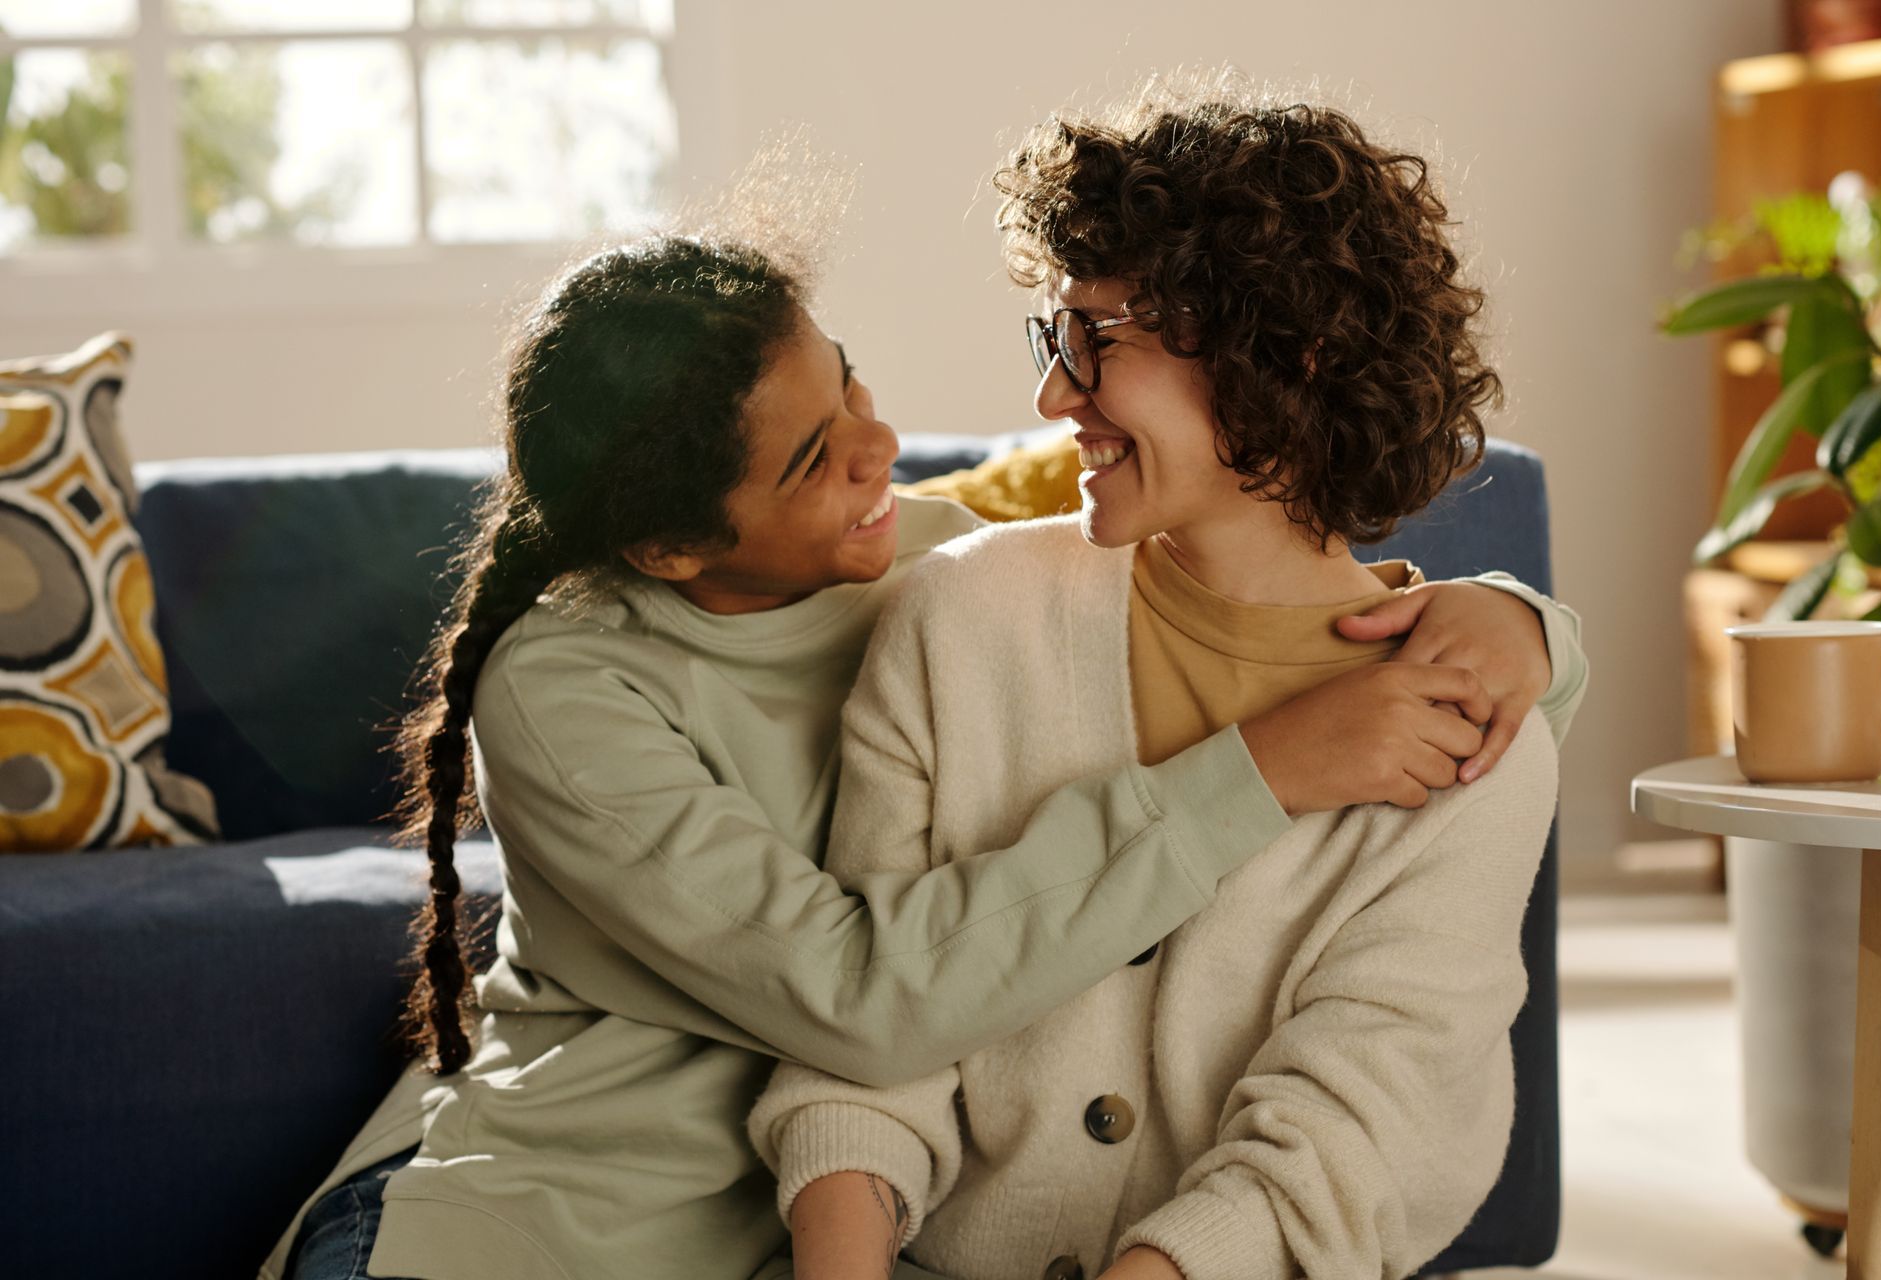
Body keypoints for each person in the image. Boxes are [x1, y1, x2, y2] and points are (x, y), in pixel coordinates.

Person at [264, 226, 1585, 1280]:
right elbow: (862, 995)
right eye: (810, 459)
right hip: (538, 1225)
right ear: (675, 548)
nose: (880, 450)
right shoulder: (564, 686)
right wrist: (1263, 771)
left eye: (850, 382)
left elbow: (1229, 585)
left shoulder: (925, 563)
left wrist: (1519, 627)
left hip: (828, 1218)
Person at [750, 87, 1576, 1280]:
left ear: (1280, 354)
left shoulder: (1475, 741)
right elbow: (870, 1027)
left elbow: (1343, 1147)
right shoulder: (960, 620)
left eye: (1100, 341)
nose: (1052, 397)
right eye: (1054, 337)